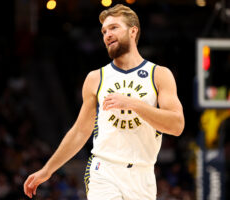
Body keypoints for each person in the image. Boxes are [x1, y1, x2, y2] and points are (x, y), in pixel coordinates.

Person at [23, 4, 185, 200]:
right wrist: (48, 170)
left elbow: (176, 125)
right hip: (105, 171)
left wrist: (133, 104)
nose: (107, 34)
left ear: (133, 31)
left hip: (143, 175)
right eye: (104, 31)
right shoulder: (96, 78)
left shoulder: (159, 75)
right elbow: (80, 131)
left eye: (114, 27)